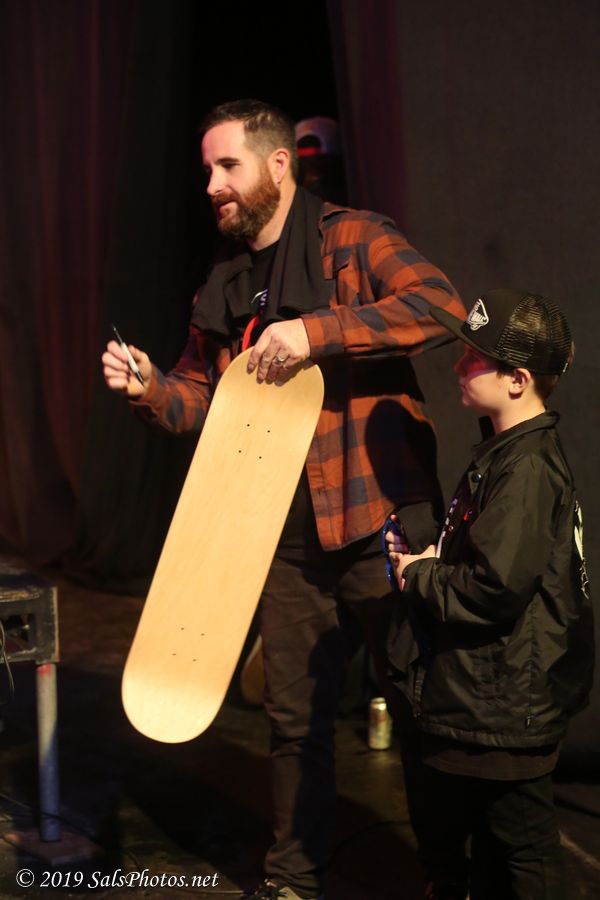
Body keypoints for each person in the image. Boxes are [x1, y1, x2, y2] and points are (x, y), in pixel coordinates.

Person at [103, 98, 464, 900]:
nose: (211, 185)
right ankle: (293, 879)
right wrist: (149, 385)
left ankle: (450, 877)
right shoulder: (225, 282)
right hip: (279, 534)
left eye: (227, 166)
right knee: (294, 723)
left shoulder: (354, 238)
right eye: (207, 169)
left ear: (277, 165)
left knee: (420, 709)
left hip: (377, 522)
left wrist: (316, 332)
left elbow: (443, 306)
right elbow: (200, 401)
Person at [385, 289, 594, 900]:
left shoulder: (526, 469)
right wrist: (436, 554)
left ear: (517, 380)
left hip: (505, 708)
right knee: (482, 850)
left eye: (474, 357)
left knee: (521, 853)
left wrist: (417, 574)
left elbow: (493, 589)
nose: (459, 364)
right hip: (485, 702)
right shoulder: (507, 455)